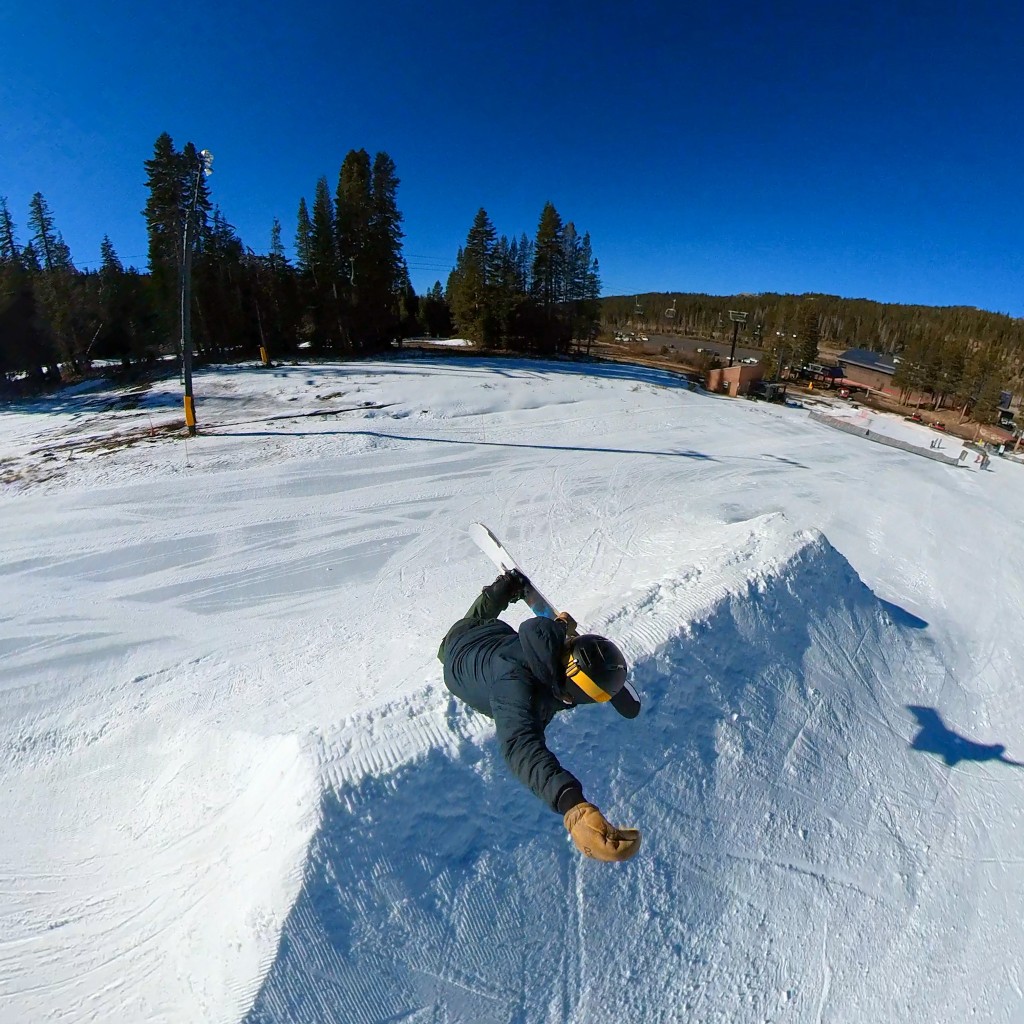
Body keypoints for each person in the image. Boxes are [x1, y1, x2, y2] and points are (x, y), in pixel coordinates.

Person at [437, 569, 641, 862]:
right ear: (571, 692)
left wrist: (561, 626)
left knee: (476, 623)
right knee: (450, 646)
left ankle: (503, 589)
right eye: (594, 697)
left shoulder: (552, 634)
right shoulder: (516, 690)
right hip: (457, 660)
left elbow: (551, 630)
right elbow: (521, 748)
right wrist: (573, 805)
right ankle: (501, 592)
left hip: (487, 634)